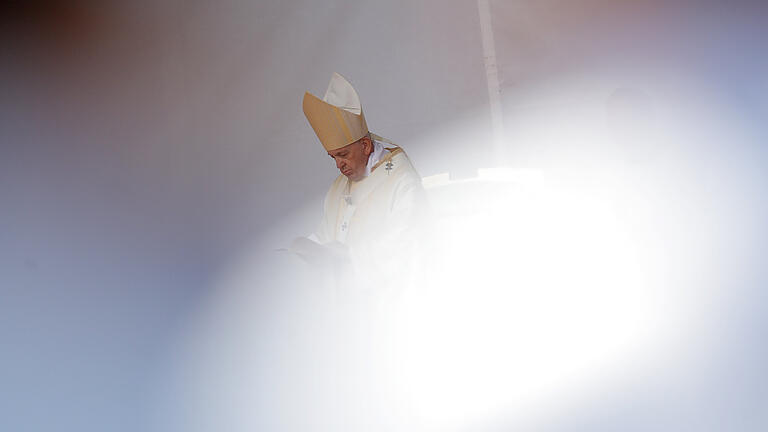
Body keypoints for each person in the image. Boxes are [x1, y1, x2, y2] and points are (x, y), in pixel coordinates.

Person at [292, 72, 426, 293]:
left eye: (343, 155)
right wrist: (307, 247)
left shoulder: (401, 179)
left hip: (387, 303)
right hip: (346, 304)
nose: (339, 165)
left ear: (365, 146)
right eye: (333, 157)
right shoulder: (339, 187)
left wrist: (347, 258)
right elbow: (328, 234)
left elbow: (405, 245)